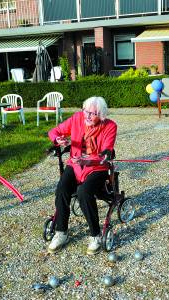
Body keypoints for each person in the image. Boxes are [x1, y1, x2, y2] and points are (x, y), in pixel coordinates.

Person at [47, 96, 117, 255]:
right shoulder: (77, 118)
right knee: (62, 189)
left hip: (96, 167)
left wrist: (106, 153)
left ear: (102, 115)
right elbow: (54, 131)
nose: (88, 116)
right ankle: (61, 232)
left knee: (83, 192)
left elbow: (108, 148)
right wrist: (58, 139)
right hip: (75, 164)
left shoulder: (110, 126)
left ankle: (95, 235)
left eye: (93, 114)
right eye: (86, 111)